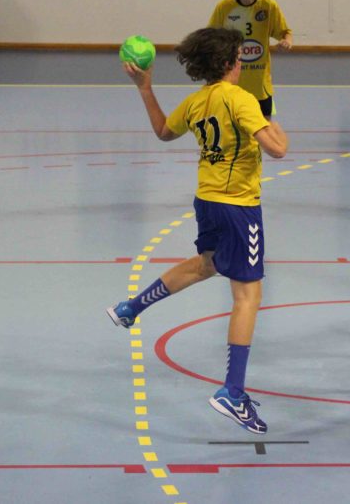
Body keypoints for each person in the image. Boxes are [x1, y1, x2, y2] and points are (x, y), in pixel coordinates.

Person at [106, 27, 288, 434]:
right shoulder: (240, 99)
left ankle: (130, 309)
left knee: (207, 264)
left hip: (207, 200)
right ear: (227, 64)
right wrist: (270, 122)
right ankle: (232, 392)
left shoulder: (195, 102)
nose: (241, 64)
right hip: (239, 207)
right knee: (248, 296)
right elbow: (278, 149)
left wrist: (145, 88)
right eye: (238, 59)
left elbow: (163, 132)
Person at [207, 0, 293, 119]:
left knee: (264, 127)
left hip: (260, 85)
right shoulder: (224, 7)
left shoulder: (268, 6)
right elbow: (211, 37)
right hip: (232, 83)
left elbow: (285, 32)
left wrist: (286, 41)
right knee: (233, 127)